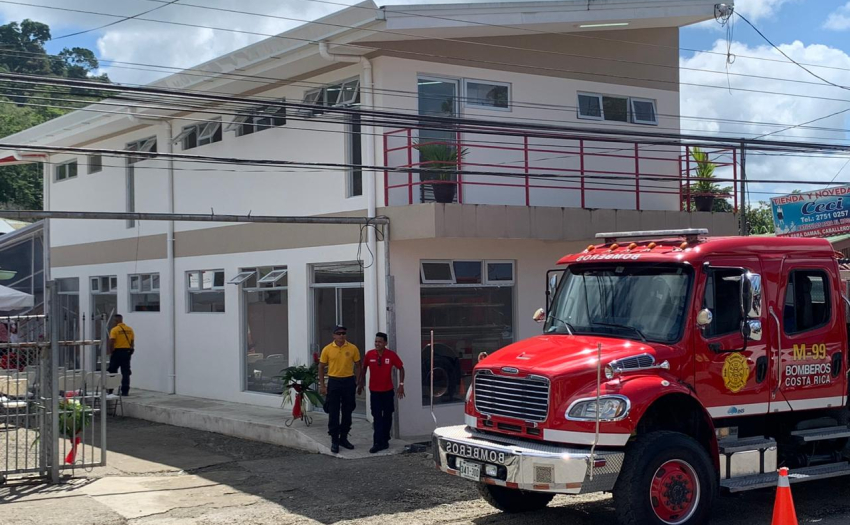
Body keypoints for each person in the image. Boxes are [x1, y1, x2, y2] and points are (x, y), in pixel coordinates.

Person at [358, 332, 405, 453]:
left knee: (388, 416)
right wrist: (360, 383)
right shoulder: (369, 354)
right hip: (375, 392)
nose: (377, 344)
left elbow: (401, 368)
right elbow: (363, 368)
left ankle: (385, 439)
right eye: (376, 341)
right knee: (377, 416)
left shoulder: (391, 355)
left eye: (380, 341)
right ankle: (377, 442)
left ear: (385, 343)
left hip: (388, 391)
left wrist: (401, 385)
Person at [318, 325, 360, 454]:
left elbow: (358, 365)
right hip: (334, 381)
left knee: (348, 411)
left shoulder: (352, 348)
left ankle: (344, 438)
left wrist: (357, 382)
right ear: (334, 335)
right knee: (333, 412)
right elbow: (321, 367)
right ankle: (334, 440)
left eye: (343, 333)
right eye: (339, 333)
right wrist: (322, 385)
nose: (341, 335)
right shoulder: (327, 349)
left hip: (348, 381)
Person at [107, 314, 135, 396]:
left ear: (116, 321)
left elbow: (112, 342)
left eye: (114, 320)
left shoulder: (114, 330)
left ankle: (110, 389)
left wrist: (111, 352)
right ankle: (125, 391)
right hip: (126, 352)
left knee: (112, 371)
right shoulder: (129, 329)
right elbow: (132, 342)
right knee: (126, 372)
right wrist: (130, 350)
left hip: (117, 352)